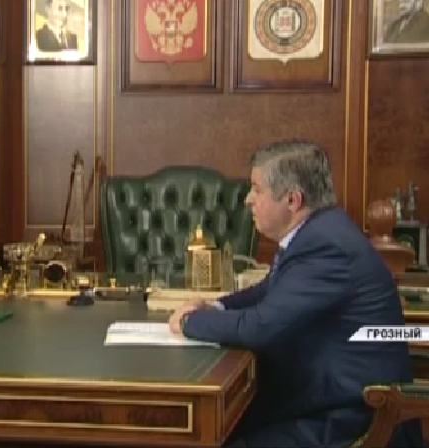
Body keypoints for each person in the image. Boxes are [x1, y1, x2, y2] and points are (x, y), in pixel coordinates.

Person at [168, 140, 423, 448]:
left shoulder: (326, 246)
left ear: (292, 199)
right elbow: (268, 289)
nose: (248, 199)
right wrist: (215, 306)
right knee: (222, 426)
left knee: (218, 435)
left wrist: (190, 322)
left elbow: (261, 327)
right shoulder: (319, 231)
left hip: (350, 418)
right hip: (326, 397)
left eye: (257, 189)